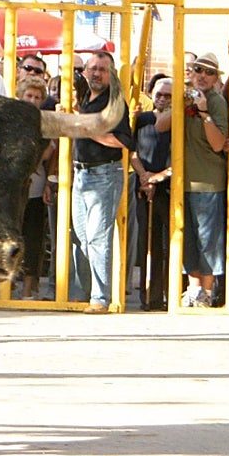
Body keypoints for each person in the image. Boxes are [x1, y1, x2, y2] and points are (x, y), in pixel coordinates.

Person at [157, 51, 229, 308]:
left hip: (208, 181)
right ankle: (193, 288)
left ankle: (207, 292)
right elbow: (160, 126)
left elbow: (219, 144)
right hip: (182, 182)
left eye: (209, 72)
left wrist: (203, 111)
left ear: (215, 78)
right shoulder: (183, 96)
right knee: (186, 238)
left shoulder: (217, 102)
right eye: (199, 70)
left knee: (207, 240)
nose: (203, 76)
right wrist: (182, 104)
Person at [71, 51, 133, 313]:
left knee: (98, 238)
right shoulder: (85, 98)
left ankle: (100, 298)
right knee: (82, 238)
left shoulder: (115, 103)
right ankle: (83, 294)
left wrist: (87, 128)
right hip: (80, 174)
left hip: (104, 174)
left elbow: (122, 142)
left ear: (112, 74)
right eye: (93, 68)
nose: (96, 73)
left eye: (102, 70)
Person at [128, 76, 172, 310]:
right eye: (159, 94)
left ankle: (171, 293)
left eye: (168, 96)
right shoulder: (142, 120)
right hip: (143, 187)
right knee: (149, 242)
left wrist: (160, 177)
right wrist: (144, 177)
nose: (163, 99)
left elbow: (179, 156)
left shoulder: (178, 121)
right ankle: (150, 297)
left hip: (168, 185)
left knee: (170, 243)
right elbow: (132, 151)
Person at [17, 76, 52, 300]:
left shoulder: (45, 123)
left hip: (36, 187)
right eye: (29, 95)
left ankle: (29, 288)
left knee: (33, 237)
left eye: (38, 97)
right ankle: (6, 287)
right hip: (12, 190)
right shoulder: (8, 121)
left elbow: (49, 153)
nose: (33, 100)